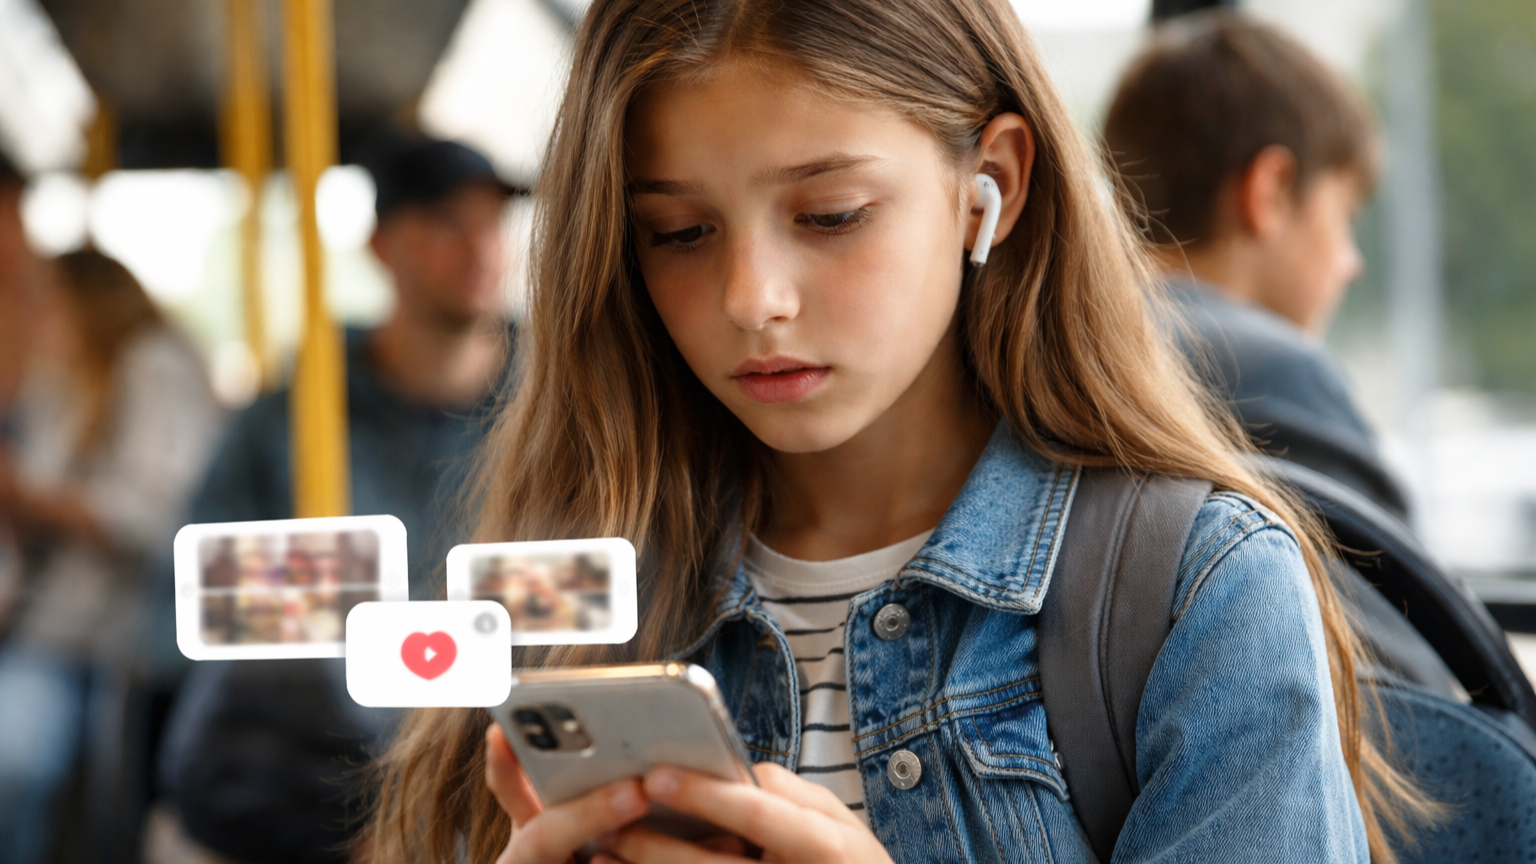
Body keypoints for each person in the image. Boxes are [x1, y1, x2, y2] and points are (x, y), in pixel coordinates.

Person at [368, 2, 1438, 863]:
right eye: (679, 232)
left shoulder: (1198, 590)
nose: (752, 298)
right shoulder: (567, 592)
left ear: (991, 188)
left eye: (830, 214)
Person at [157, 138, 516, 864]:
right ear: (383, 246)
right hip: (337, 742)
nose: (480, 248)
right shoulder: (291, 416)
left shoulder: (561, 410)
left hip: (500, 718)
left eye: (492, 224)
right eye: (448, 223)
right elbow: (204, 587)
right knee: (214, 742)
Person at [1102, 12, 1411, 522]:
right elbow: (1394, 572)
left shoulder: (1062, 349)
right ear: (1271, 193)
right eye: (1345, 215)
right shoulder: (1277, 375)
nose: (1351, 263)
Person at [0, 249, 225, 864]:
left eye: (47, 303)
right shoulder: (66, 383)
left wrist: (32, 500)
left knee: (23, 762)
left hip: (125, 636)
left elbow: (153, 518)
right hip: (62, 627)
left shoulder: (154, 367)